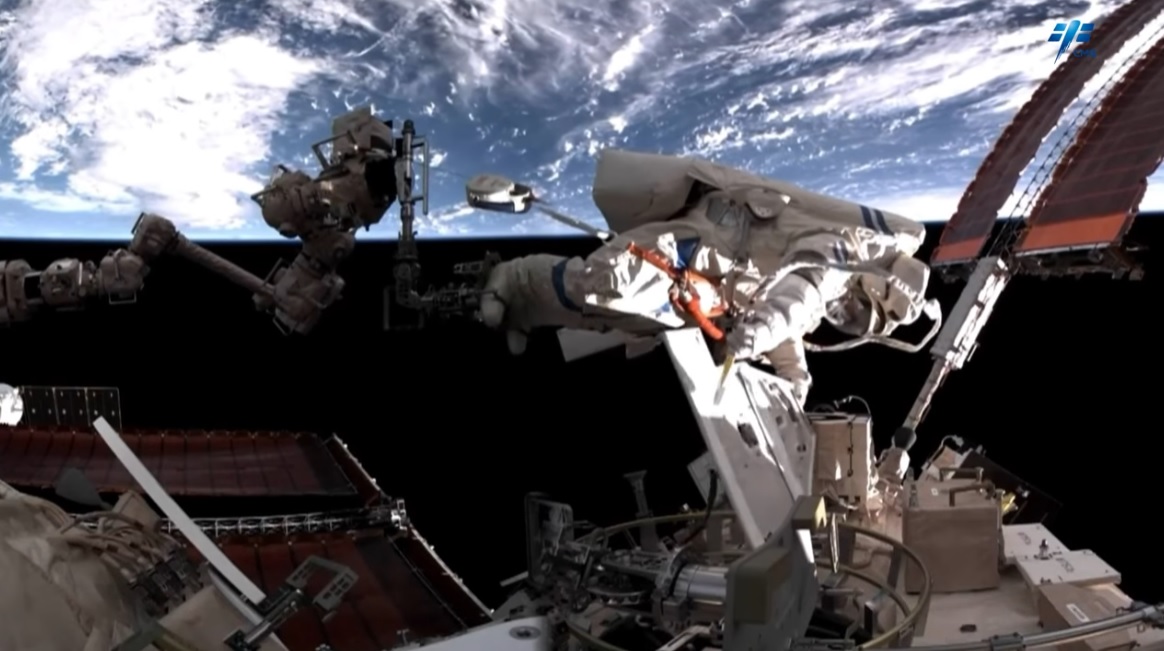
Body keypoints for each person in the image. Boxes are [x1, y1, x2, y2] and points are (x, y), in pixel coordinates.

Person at [480, 149, 939, 406]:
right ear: (872, 283)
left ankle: (526, 313)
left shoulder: (824, 292)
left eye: (854, 320)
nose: (846, 315)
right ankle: (514, 278)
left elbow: (788, 320)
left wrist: (794, 380)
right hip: (708, 242)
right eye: (857, 309)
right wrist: (762, 331)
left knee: (615, 316)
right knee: (608, 281)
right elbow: (800, 293)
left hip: (708, 289)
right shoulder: (847, 251)